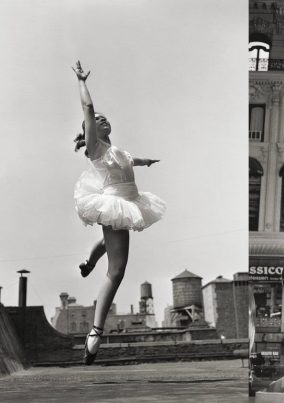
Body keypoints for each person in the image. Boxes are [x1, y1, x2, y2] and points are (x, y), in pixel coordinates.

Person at [71, 61, 166, 364]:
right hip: (115, 203)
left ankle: (88, 261)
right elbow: (88, 106)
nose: (103, 119)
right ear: (90, 130)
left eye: (106, 118)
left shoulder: (119, 151)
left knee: (110, 244)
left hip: (129, 201)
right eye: (99, 119)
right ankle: (95, 333)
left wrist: (146, 161)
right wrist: (82, 82)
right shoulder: (95, 148)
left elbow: (130, 160)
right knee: (117, 270)